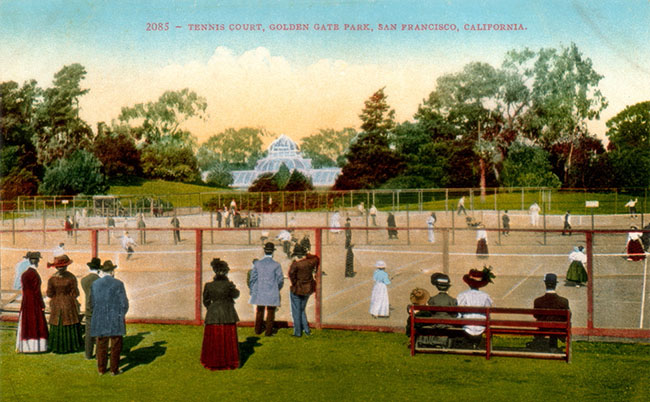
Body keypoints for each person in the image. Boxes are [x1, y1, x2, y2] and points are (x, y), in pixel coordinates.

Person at [91, 260, 129, 376]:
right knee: (116, 344)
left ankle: (101, 369)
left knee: (101, 343)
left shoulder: (95, 284)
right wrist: (120, 314)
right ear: (112, 271)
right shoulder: (118, 284)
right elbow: (124, 303)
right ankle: (114, 369)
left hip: (100, 316)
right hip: (114, 316)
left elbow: (92, 302)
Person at [201, 258, 240, 370]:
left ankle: (214, 361)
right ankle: (229, 361)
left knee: (214, 340)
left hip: (213, 315)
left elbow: (206, 301)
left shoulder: (208, 285)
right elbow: (236, 294)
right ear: (225, 272)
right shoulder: (228, 285)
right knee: (228, 339)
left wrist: (212, 308)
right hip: (228, 314)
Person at [46, 254, 83, 354]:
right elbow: (75, 293)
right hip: (68, 303)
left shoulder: (52, 279)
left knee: (57, 323)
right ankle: (71, 346)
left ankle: (56, 347)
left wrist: (56, 296)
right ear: (66, 266)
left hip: (56, 304)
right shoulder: (71, 277)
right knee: (69, 322)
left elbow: (49, 293)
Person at [527, 273, 570, 352]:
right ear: (556, 284)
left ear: (545, 283)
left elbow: (536, 315)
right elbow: (567, 317)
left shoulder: (538, 301)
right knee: (555, 324)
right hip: (558, 329)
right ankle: (553, 347)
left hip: (543, 327)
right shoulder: (564, 301)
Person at [15, 251, 48, 353]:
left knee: (26, 322)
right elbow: (37, 292)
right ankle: (37, 347)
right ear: (37, 261)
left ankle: (26, 347)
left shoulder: (24, 274)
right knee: (36, 322)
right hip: (34, 301)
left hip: (26, 301)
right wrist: (42, 304)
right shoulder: (35, 275)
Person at [249, 242, 284, 336]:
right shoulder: (276, 265)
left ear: (264, 251)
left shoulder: (257, 264)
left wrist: (253, 290)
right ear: (273, 252)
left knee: (259, 311)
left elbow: (252, 278)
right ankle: (268, 332)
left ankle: (257, 330)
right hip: (272, 290)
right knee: (271, 311)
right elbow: (280, 280)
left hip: (260, 290)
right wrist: (276, 288)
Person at [457, 267, 495, 348]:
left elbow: (459, 311)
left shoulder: (462, 295)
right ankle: (476, 344)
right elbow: (488, 310)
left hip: (466, 326)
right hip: (481, 326)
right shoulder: (485, 296)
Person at [288, 244, 320, 337]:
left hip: (298, 289)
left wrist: (295, 283)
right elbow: (316, 258)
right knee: (301, 309)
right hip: (308, 288)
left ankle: (298, 332)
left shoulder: (295, 264)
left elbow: (291, 275)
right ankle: (306, 330)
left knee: (296, 311)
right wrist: (307, 254)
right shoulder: (310, 262)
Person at [81, 257, 101, 359]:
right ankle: (98, 354)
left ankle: (88, 354)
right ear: (99, 269)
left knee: (88, 332)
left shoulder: (84, 280)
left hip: (88, 308)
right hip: (98, 309)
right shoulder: (100, 281)